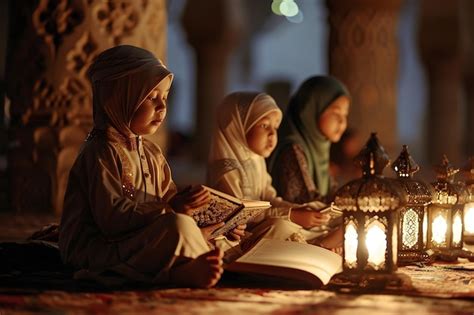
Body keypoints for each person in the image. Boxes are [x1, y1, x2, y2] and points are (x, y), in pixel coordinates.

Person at [59, 45, 224, 288]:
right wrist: (171, 209)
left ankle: (194, 255)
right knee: (176, 226)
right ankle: (177, 273)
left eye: (165, 97)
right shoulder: (100, 152)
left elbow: (169, 199)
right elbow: (112, 220)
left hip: (139, 238)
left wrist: (208, 215)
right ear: (119, 96)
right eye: (151, 97)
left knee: (210, 232)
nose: (162, 107)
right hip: (99, 247)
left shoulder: (151, 152)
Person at [207, 92, 341, 251]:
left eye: (275, 127)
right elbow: (243, 217)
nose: (272, 134)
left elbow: (270, 199)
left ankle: (320, 242)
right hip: (241, 239)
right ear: (238, 125)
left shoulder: (256, 161)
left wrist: (295, 210)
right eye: (264, 125)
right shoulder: (227, 169)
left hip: (263, 226)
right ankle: (320, 246)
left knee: (308, 212)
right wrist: (290, 215)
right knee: (280, 226)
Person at [268, 75, 351, 205]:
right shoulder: (292, 148)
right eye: (336, 113)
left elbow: (331, 195)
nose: (342, 121)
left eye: (345, 115)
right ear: (311, 108)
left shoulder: (319, 148)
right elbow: (306, 203)